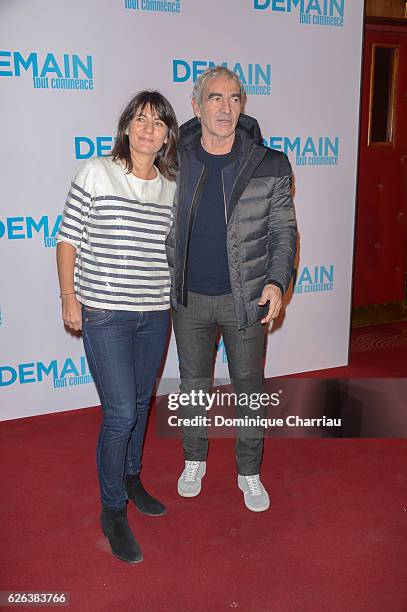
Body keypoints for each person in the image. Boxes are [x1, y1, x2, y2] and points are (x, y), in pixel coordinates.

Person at [166, 66, 297, 512]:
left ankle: (249, 471)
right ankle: (194, 458)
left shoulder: (269, 162)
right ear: (196, 105)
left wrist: (278, 282)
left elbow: (284, 231)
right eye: (215, 98)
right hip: (189, 300)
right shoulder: (173, 159)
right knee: (194, 385)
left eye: (234, 98)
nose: (225, 107)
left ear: (243, 105)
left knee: (249, 388)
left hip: (246, 300)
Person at [56, 91, 178, 563]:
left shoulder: (170, 184)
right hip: (105, 313)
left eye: (159, 122)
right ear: (126, 126)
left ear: (167, 134)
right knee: (121, 412)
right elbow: (68, 238)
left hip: (154, 313)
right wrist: (69, 296)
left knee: (142, 405)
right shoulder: (96, 172)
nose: (149, 129)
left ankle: (131, 476)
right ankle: (112, 511)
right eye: (140, 119)